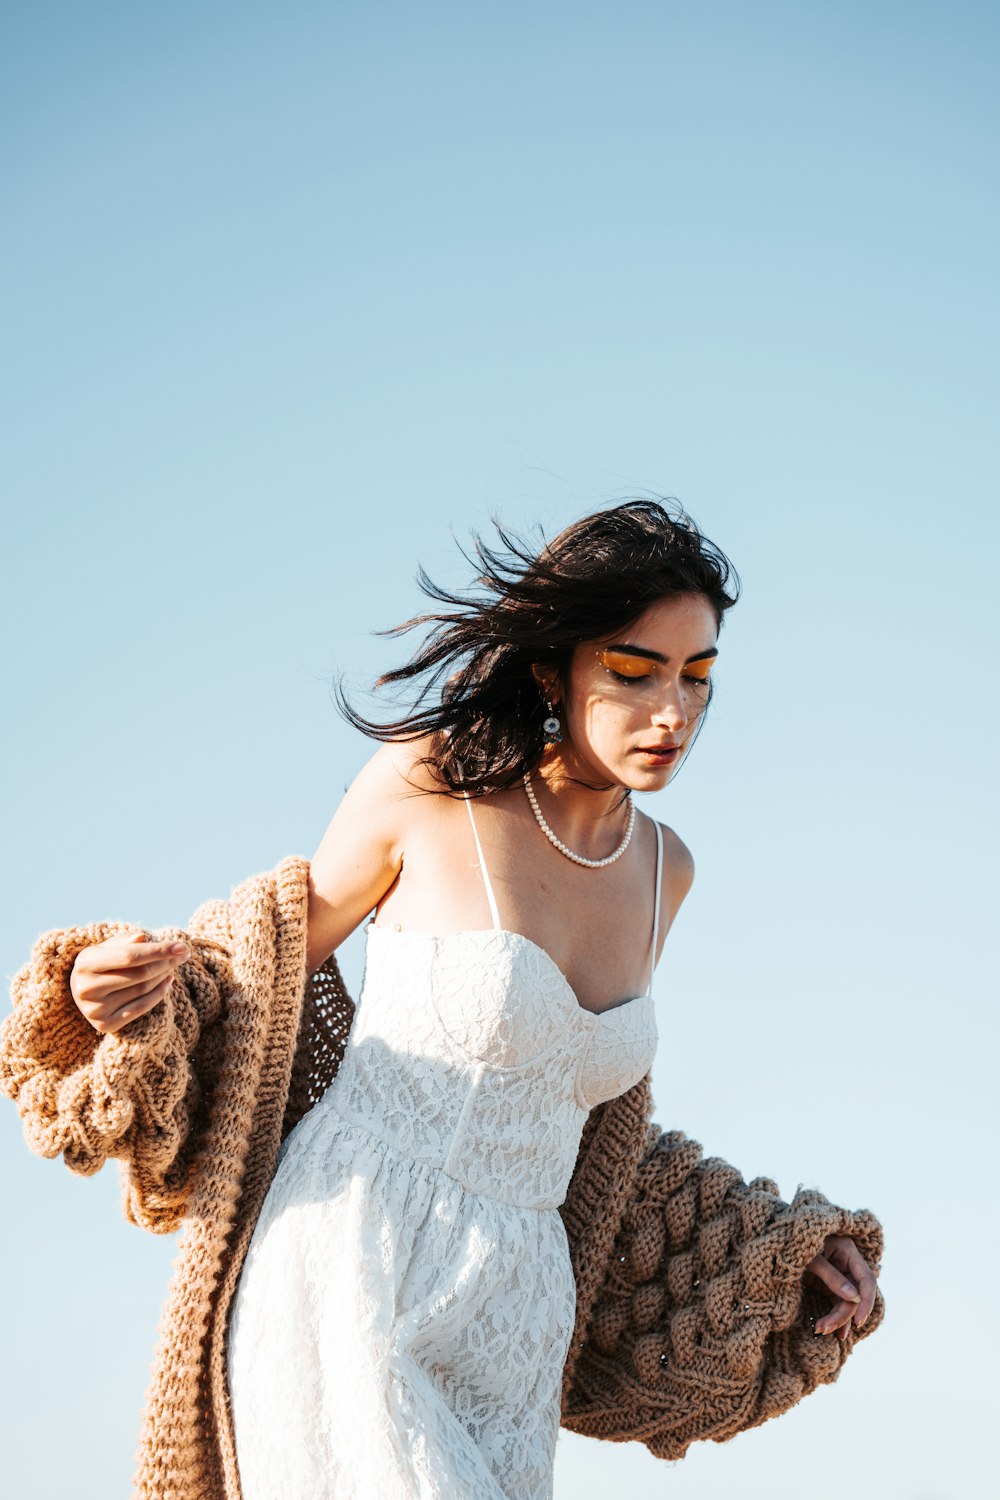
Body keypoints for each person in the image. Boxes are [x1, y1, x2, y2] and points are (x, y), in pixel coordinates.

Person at [4, 499, 883, 1500]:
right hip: (356, 1268)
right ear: (554, 671)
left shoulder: (663, 871)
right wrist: (106, 994)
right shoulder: (429, 786)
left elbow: (579, 1119)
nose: (672, 711)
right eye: (634, 674)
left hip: (518, 1318)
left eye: (698, 676)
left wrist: (779, 1249)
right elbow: (248, 972)